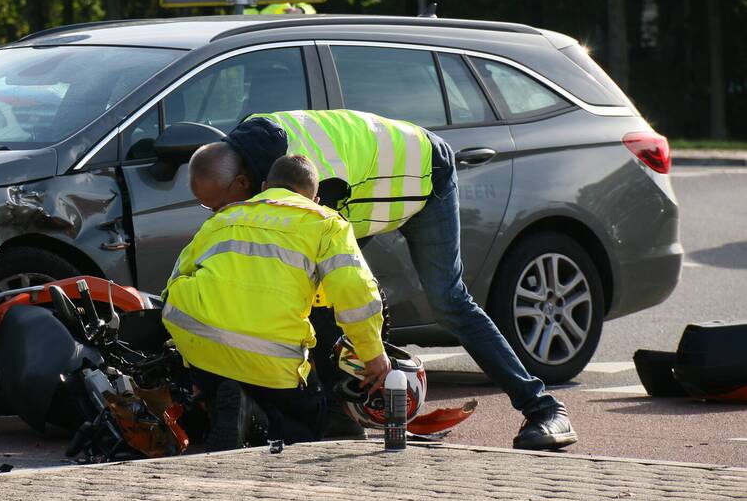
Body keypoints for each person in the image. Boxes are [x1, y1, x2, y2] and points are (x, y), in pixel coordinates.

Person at [191, 110, 578, 451]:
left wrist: (371, 353)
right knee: (317, 296)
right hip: (359, 191)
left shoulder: (308, 180)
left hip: (422, 177)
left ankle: (544, 408)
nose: (217, 214)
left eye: (217, 205)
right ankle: (338, 417)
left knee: (447, 300)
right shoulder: (255, 156)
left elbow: (348, 291)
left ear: (244, 184)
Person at [162, 152, 390, 450]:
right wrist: (374, 355)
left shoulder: (224, 217)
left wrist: (190, 357)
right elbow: (353, 288)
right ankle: (256, 417)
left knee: (224, 392)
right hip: (271, 360)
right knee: (311, 426)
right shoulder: (325, 223)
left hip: (203, 350)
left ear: (266, 184)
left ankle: (221, 406)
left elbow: (175, 282)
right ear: (315, 197)